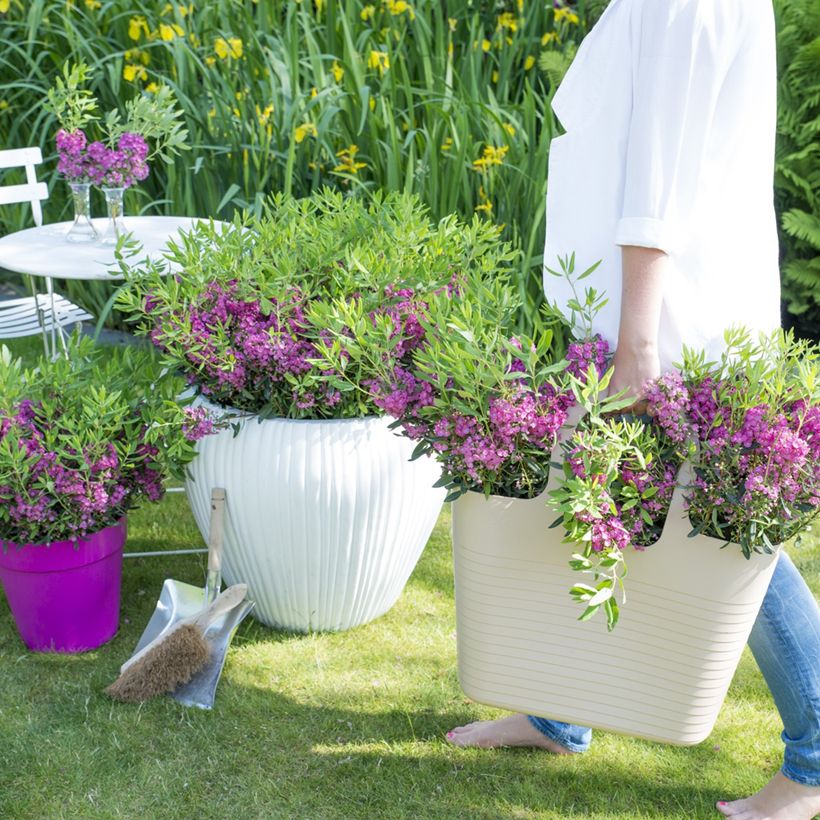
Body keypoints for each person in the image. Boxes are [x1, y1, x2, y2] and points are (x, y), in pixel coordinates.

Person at [445, 1, 820, 818]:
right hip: (647, 315)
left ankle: (818, 763)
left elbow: (661, 180)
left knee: (729, 542)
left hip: (672, 324)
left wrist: (636, 343)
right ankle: (558, 712)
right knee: (619, 508)